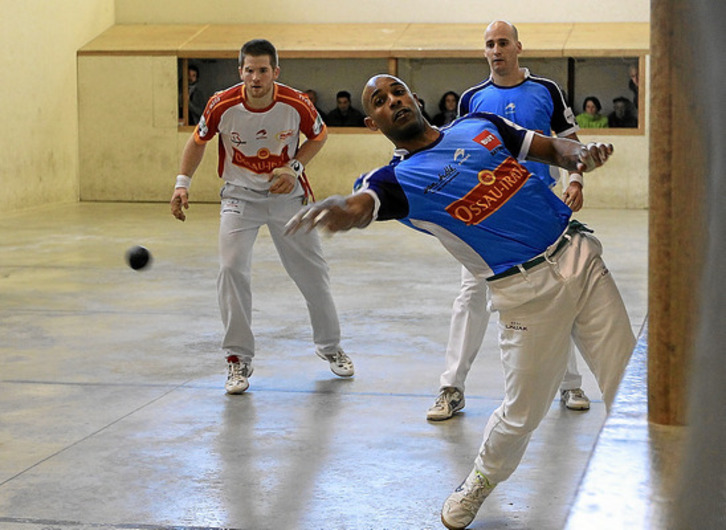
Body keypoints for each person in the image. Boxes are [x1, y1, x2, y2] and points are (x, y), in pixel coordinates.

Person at [285, 74, 635, 530]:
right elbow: (363, 203)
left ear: (414, 97)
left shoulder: (479, 124)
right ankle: (480, 480)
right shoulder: (394, 179)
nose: (394, 101)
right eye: (380, 101)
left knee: (627, 380)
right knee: (522, 414)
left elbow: (555, 149)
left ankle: (654, 476)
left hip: (579, 256)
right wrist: (344, 211)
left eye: (397, 91)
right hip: (524, 293)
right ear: (373, 122)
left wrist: (581, 155)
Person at [426, 20, 591, 422]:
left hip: (537, 211)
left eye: (503, 42)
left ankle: (570, 384)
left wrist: (575, 180)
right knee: (471, 297)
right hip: (485, 216)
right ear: (484, 51)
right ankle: (451, 388)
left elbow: (569, 142)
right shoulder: (472, 99)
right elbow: (460, 155)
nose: (496, 50)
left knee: (555, 294)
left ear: (518, 47)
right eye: (489, 44)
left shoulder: (547, 90)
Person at [169, 38, 354, 395]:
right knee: (231, 269)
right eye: (250, 70)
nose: (256, 77)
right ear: (240, 71)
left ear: (275, 72)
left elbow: (319, 135)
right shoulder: (221, 104)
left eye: (263, 70)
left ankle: (330, 346)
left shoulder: (295, 103)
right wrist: (181, 184)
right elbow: (198, 141)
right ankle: (237, 358)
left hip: (288, 198)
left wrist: (294, 168)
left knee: (312, 273)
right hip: (239, 197)